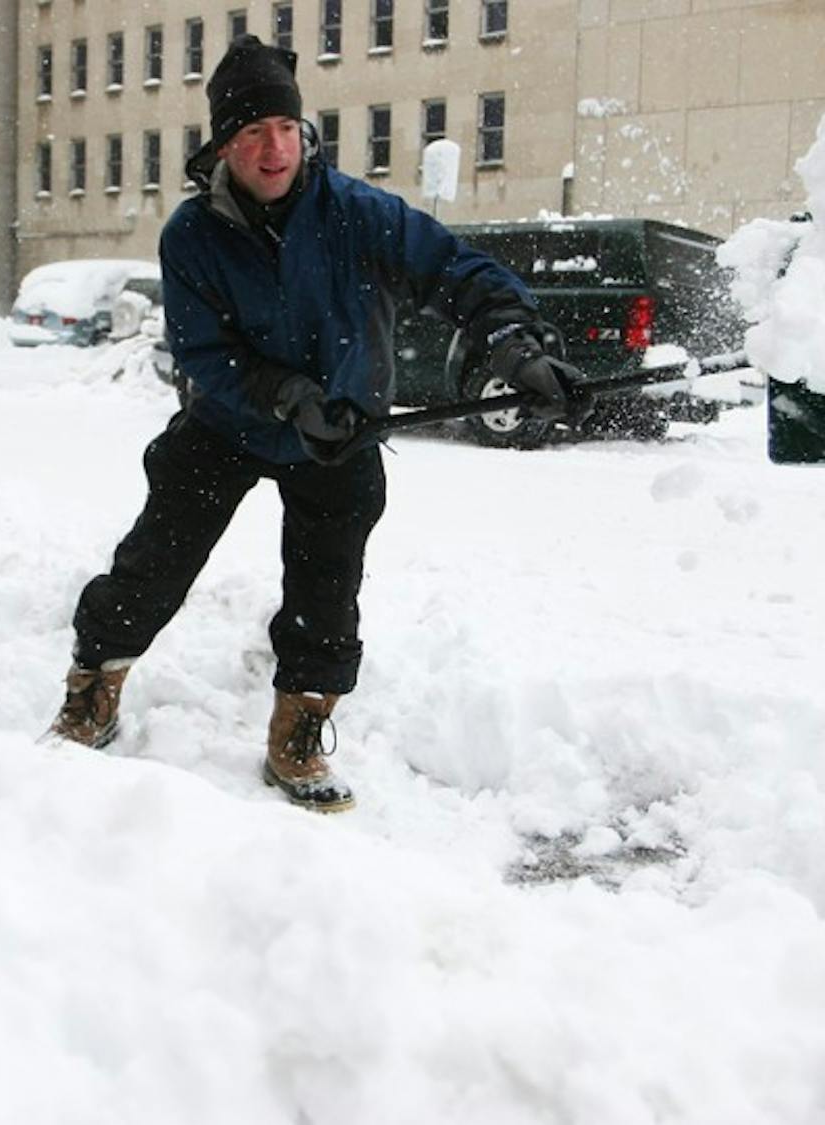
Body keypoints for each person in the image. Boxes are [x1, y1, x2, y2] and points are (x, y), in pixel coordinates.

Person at [47, 35, 575, 813]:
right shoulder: (192, 236)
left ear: (304, 133)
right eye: (253, 132)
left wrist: (516, 344)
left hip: (343, 433)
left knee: (327, 590)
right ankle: (95, 680)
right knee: (153, 562)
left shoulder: (357, 214)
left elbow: (456, 270)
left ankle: (300, 724)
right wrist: (289, 397)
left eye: (286, 129)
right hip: (227, 425)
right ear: (224, 145)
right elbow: (201, 352)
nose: (273, 147)